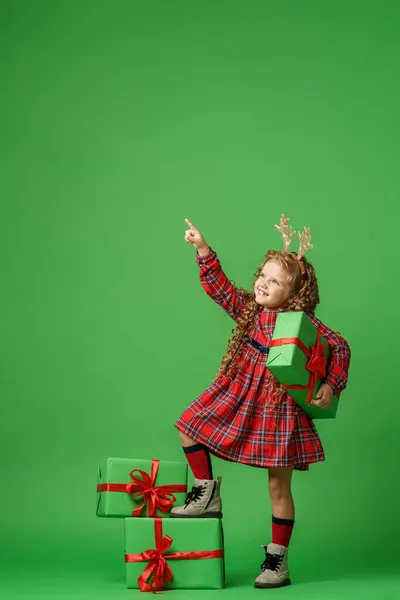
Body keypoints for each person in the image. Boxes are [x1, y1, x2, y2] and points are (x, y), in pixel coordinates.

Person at [171, 215, 351, 589]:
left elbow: (340, 346)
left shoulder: (301, 323)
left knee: (278, 488)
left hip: (277, 407)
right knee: (188, 426)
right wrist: (203, 248)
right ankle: (206, 493)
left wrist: (331, 384)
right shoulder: (250, 311)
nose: (263, 284)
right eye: (263, 276)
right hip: (238, 392)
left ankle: (277, 562)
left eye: (275, 282)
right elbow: (220, 289)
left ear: (295, 293)